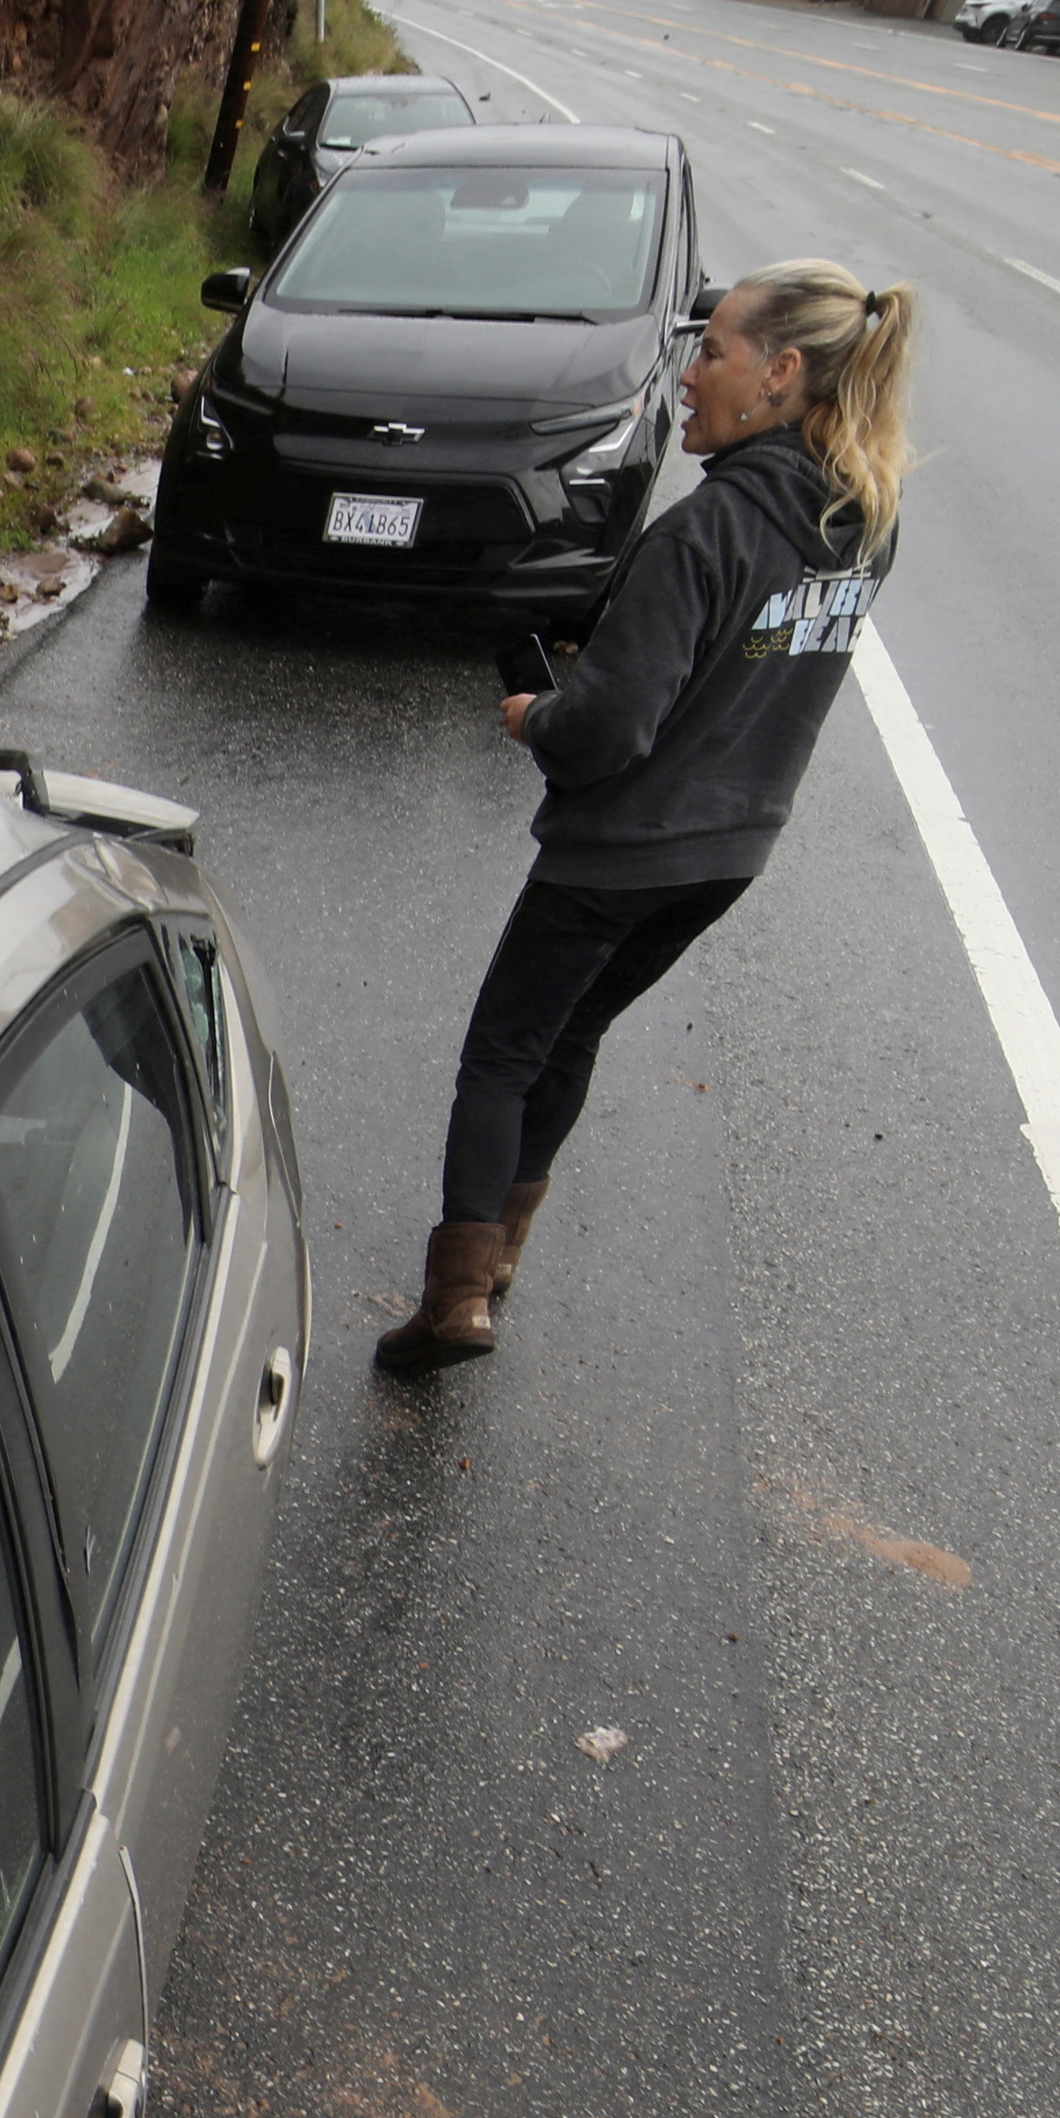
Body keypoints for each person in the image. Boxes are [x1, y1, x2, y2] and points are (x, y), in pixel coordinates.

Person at [379, 259, 917, 1372]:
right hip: (727, 853)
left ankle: (454, 1302)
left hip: (619, 849)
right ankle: (504, 1260)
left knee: (501, 1054)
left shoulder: (704, 532)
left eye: (711, 352)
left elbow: (608, 732)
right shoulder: (866, 521)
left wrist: (535, 715)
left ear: (778, 373)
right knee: (572, 1033)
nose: (689, 374)